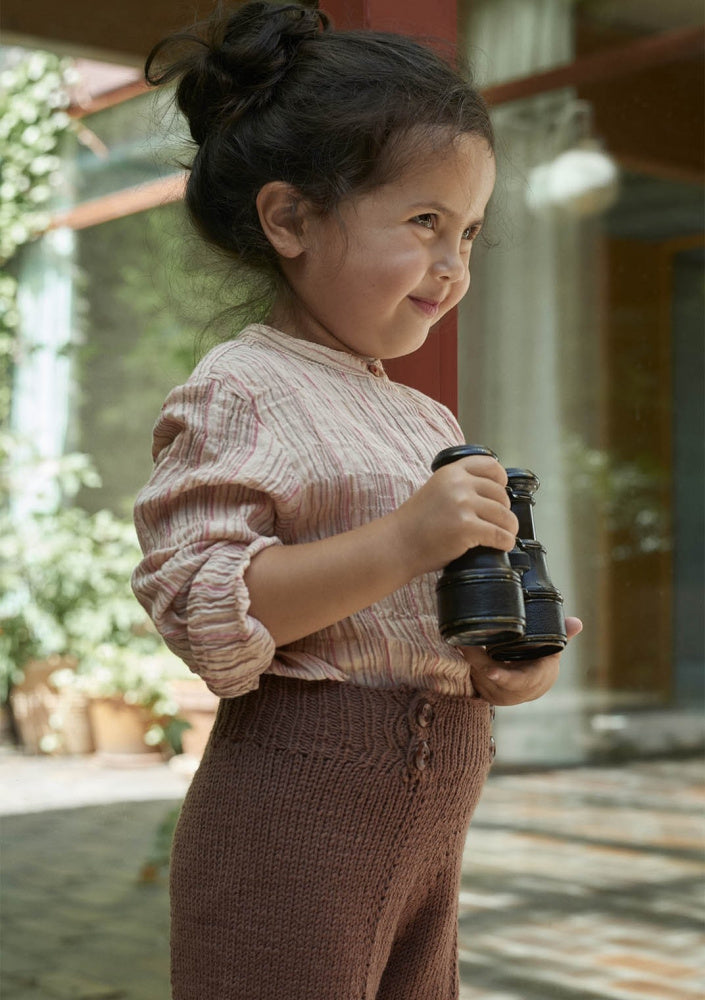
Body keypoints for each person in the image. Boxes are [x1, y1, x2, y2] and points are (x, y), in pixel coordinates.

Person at [132, 3, 582, 997]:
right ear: (289, 218)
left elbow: (470, 591)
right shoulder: (243, 389)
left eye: (468, 230)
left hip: (430, 814)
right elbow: (211, 610)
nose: (454, 262)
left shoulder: (423, 416)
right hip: (294, 817)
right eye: (424, 221)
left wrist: (520, 661)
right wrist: (406, 538)